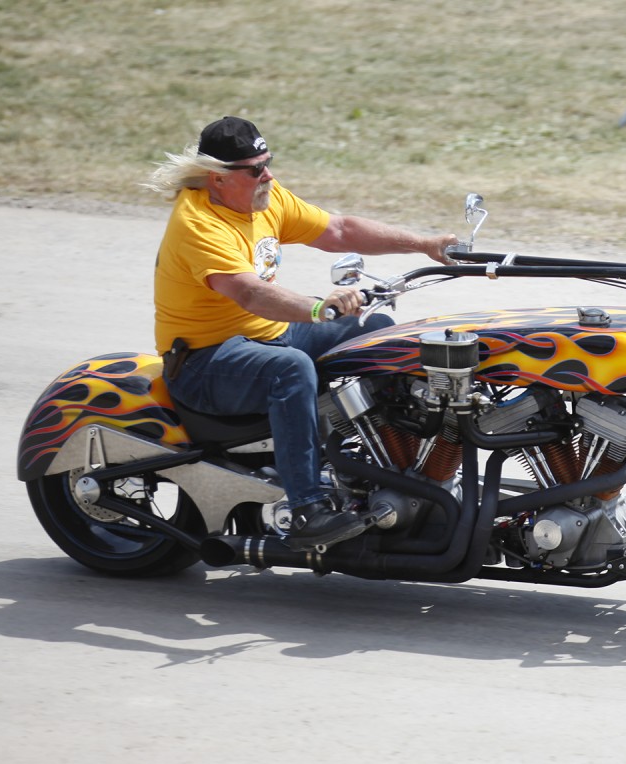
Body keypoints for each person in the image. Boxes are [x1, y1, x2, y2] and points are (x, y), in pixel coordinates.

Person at [144, 116, 456, 549]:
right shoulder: (199, 225)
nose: (267, 175)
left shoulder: (262, 200)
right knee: (288, 370)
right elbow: (249, 293)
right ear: (217, 178)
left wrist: (424, 244)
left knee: (376, 331)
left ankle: (396, 466)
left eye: (268, 162)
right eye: (254, 169)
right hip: (206, 362)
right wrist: (317, 307)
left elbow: (339, 230)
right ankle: (307, 508)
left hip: (269, 335)